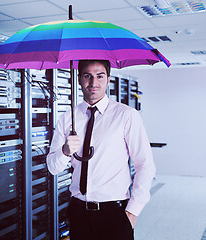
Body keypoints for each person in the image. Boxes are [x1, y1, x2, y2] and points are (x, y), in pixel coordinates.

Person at [46, 60, 156, 240]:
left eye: (100, 76)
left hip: (114, 213)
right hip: (79, 212)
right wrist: (65, 151)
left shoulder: (126, 115)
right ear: (79, 79)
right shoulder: (67, 118)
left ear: (108, 79)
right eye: (87, 76)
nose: (93, 82)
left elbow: (145, 165)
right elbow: (53, 167)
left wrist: (132, 213)